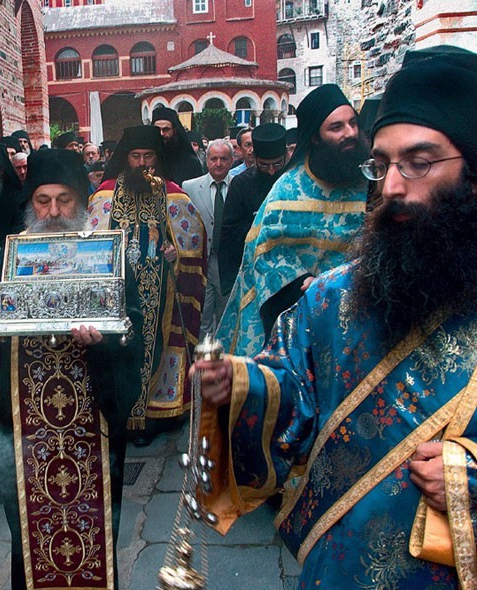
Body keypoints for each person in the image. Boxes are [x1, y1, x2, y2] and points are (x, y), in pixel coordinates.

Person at [194, 47, 477, 589]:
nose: (391, 187)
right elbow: (293, 386)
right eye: (382, 165)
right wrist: (241, 387)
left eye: (418, 163)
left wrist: (469, 480)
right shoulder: (335, 296)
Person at [0, 149, 136, 590]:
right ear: (31, 203)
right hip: (24, 428)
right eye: (43, 201)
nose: (54, 211)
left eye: (65, 200)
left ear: (81, 202)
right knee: (31, 537)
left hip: (93, 422)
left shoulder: (107, 252)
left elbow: (133, 328)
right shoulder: (13, 254)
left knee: (94, 530)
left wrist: (105, 343)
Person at [217, 84, 368, 356]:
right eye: (336, 127)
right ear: (316, 137)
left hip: (362, 311)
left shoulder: (372, 181)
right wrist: (311, 288)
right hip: (302, 319)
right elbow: (267, 258)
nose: (350, 133)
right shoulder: (287, 190)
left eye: (353, 123)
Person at [89, 125, 206, 446]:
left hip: (161, 292)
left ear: (158, 157)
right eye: (135, 156)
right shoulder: (105, 194)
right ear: (125, 158)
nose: (142, 163)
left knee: (157, 347)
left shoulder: (173, 193)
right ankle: (120, 414)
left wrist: (175, 253)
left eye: (148, 156)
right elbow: (91, 242)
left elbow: (193, 242)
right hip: (116, 291)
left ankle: (152, 417)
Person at [217, 123, 288, 296]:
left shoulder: (292, 180)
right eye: (264, 165)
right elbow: (229, 232)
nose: (271, 172)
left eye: (277, 164)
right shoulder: (241, 184)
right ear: (255, 159)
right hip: (252, 274)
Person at [181, 138, 234, 338]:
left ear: (231, 160)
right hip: (201, 261)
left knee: (225, 316)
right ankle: (200, 354)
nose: (218, 164)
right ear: (207, 160)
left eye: (223, 159)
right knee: (201, 315)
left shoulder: (239, 185)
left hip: (227, 263)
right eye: (213, 159)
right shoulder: (190, 187)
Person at [151, 106, 204, 183]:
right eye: (157, 129)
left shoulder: (191, 163)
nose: (161, 134)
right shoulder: (146, 161)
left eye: (166, 129)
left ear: (174, 130)